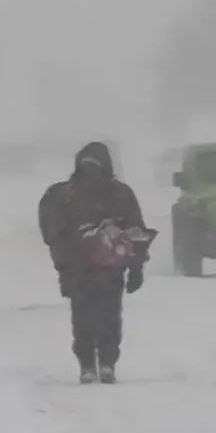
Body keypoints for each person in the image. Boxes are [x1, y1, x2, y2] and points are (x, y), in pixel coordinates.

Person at [38, 141, 147, 384]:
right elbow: (54, 234)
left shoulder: (117, 195)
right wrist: (64, 268)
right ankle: (90, 363)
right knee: (86, 317)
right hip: (80, 269)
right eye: (87, 168)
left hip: (105, 269)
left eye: (95, 168)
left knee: (105, 315)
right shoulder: (66, 196)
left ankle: (104, 362)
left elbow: (134, 232)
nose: (91, 174)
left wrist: (136, 267)